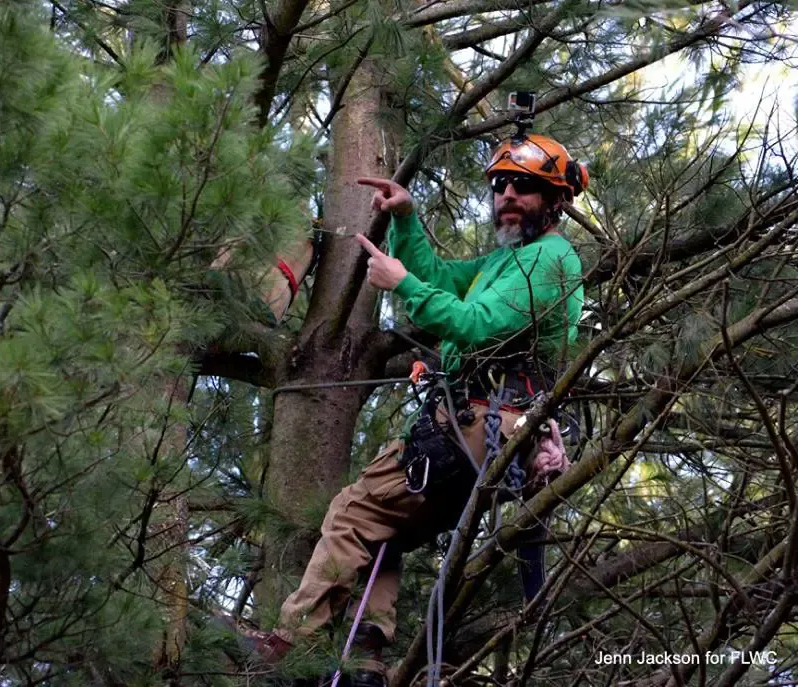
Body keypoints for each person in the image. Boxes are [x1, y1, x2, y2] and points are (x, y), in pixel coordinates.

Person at [249, 133, 588, 687]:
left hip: (486, 423)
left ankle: (289, 642)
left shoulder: (551, 258)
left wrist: (402, 285)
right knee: (384, 529)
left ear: (554, 201)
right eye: (501, 184)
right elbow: (438, 277)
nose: (506, 194)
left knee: (354, 513)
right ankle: (365, 658)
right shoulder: (507, 261)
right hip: (478, 426)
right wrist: (405, 218)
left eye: (523, 187)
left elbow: (471, 322)